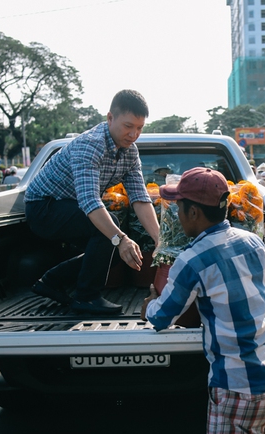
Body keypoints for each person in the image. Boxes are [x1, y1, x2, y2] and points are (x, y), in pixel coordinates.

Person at [142, 167, 265, 433]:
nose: (176, 214)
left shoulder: (193, 258)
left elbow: (161, 317)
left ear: (193, 212)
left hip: (236, 386)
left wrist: (148, 303)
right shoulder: (254, 242)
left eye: (178, 207)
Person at [24, 89, 160, 315]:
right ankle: (86, 297)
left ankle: (51, 281)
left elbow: (139, 198)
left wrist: (159, 240)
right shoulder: (90, 145)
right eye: (128, 126)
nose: (134, 134)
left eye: (139, 128)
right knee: (113, 234)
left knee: (117, 247)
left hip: (71, 207)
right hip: (44, 208)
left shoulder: (130, 152)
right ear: (110, 118)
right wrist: (120, 238)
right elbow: (89, 200)